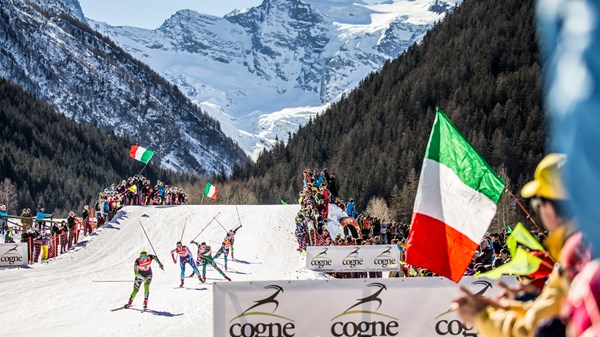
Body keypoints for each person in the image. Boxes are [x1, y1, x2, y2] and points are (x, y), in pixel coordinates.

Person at [453, 153, 582, 337]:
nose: (538, 210)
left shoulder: (577, 257)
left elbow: (534, 331)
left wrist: (482, 317)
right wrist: (522, 303)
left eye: (538, 202)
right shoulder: (581, 251)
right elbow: (555, 313)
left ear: (554, 206)